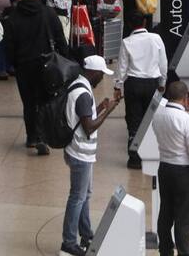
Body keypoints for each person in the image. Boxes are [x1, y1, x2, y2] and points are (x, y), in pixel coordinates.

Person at [60, 55, 120, 256]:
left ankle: (86, 234)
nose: (102, 78)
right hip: (81, 153)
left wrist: (100, 107)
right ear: (93, 73)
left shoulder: (78, 85)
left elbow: (83, 116)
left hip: (77, 151)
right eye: (102, 74)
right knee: (77, 197)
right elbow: (88, 127)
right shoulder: (84, 94)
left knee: (84, 195)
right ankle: (68, 243)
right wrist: (108, 111)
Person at [3, 0, 68, 154]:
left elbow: (8, 47)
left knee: (29, 103)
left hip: (24, 67)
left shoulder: (13, 18)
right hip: (47, 66)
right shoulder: (48, 13)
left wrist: (14, 65)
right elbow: (61, 40)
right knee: (46, 101)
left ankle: (32, 136)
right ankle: (44, 135)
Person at [152, 81, 189, 256]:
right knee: (184, 218)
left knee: (166, 212)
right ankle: (185, 252)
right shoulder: (187, 120)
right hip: (184, 173)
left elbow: (173, 127)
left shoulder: (158, 115)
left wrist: (186, 111)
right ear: (186, 97)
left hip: (164, 168)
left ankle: (165, 250)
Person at [113, 12, 167, 169]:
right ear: (144, 22)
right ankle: (150, 156)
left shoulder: (127, 42)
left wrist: (118, 86)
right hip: (152, 83)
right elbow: (163, 63)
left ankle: (134, 159)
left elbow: (122, 67)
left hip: (133, 84)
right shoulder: (156, 39)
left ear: (129, 25)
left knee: (134, 121)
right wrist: (162, 82)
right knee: (150, 120)